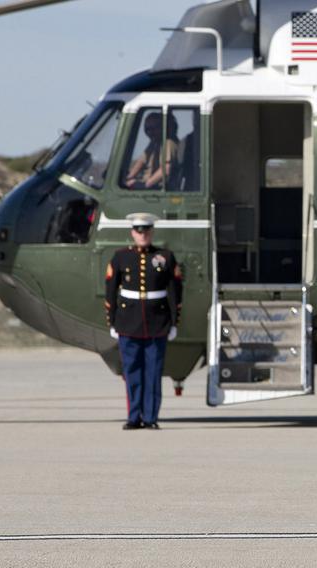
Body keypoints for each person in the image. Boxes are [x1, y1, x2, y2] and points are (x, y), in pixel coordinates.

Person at [105, 213, 184, 430]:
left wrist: (174, 323)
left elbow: (174, 292)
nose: (143, 235)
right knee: (132, 372)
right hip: (128, 322)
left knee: (153, 372)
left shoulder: (165, 257)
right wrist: (112, 322)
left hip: (157, 322)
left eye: (147, 231)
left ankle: (150, 417)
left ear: (152, 232)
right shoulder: (120, 257)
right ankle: (134, 416)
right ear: (132, 233)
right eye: (139, 231)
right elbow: (111, 291)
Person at [124, 113, 179, 189]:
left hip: (158, 188)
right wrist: (129, 178)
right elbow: (141, 161)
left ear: (162, 127)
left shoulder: (168, 143)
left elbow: (166, 168)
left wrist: (145, 185)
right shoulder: (155, 143)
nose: (149, 132)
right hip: (149, 184)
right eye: (147, 129)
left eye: (153, 129)